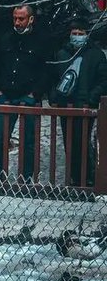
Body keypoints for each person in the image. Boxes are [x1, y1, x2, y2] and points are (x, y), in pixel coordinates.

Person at [47, 15, 107, 187]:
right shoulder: (62, 54)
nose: (77, 36)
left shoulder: (96, 55)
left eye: (81, 33)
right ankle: (74, 178)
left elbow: (104, 80)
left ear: (87, 34)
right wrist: (54, 97)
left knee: (83, 142)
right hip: (66, 104)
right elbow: (53, 78)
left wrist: (91, 98)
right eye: (75, 33)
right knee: (69, 142)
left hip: (85, 105)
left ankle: (88, 177)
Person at [0, 4, 48, 178]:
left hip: (28, 96)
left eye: (21, 18)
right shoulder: (5, 39)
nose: (17, 22)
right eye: (15, 18)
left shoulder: (41, 41)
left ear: (30, 19)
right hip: (6, 96)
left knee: (29, 141)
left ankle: (25, 178)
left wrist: (35, 94)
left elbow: (46, 71)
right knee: (0, 138)